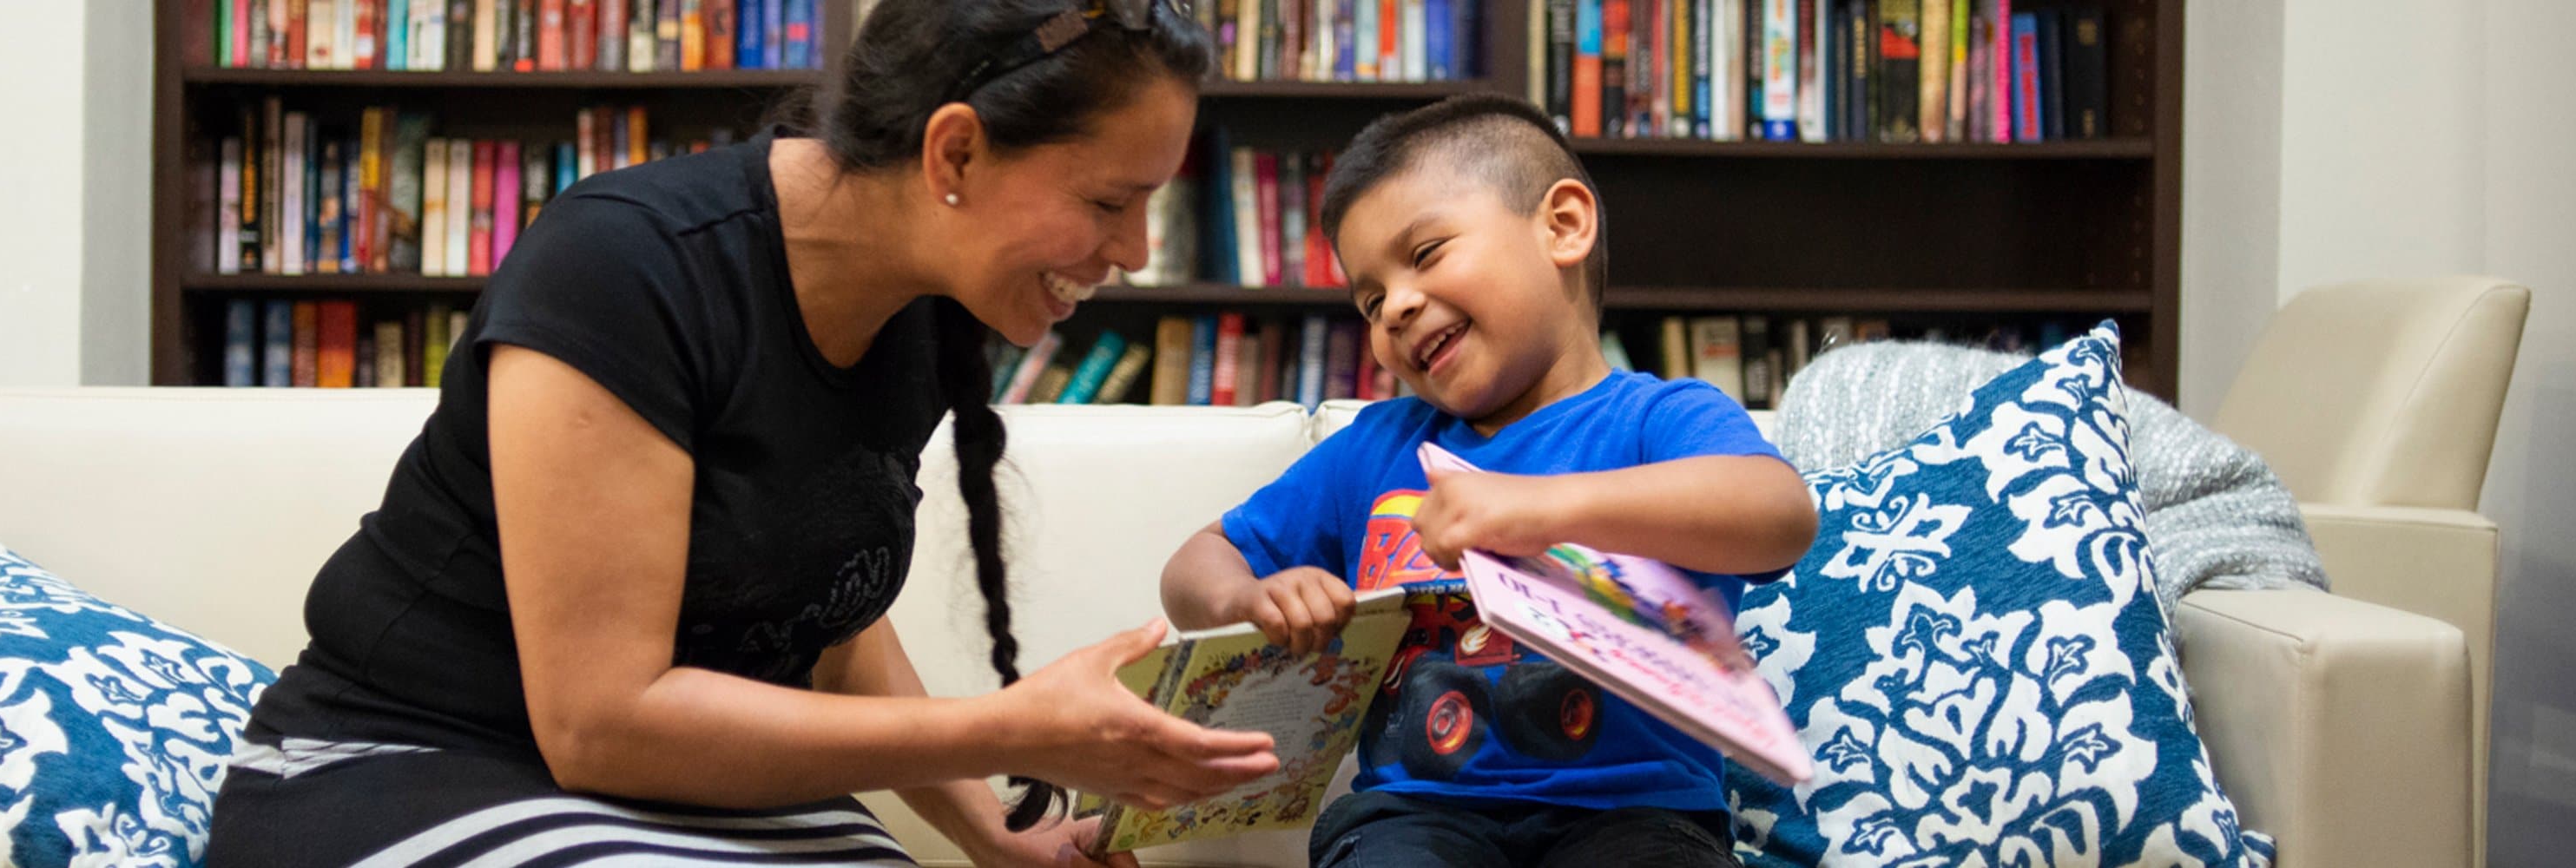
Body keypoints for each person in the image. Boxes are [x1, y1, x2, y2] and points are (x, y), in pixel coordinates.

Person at [201, 1, 1279, 865]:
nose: (1136, 250)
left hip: (663, 797)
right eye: (1108, 202)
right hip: (402, 763)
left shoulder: (922, 298)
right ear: (954, 155)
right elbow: (598, 722)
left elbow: (828, 623)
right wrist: (1013, 727)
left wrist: (1000, 834)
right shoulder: (625, 265)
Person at [1154, 94, 1820, 867]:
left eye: (1427, 253)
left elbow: (1779, 516)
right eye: (1370, 300)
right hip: (1414, 813)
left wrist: (1542, 509)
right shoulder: (1374, 450)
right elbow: (1194, 565)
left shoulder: (1658, 420)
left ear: (1562, 226)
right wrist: (1246, 597)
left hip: (1638, 816)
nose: (1395, 307)